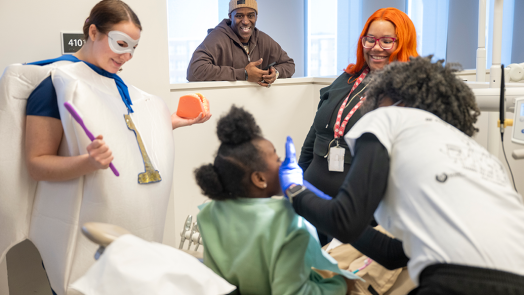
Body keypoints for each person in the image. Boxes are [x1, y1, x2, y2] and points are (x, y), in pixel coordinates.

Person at [0, 1, 210, 294]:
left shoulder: (110, 83)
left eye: (134, 47)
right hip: (81, 240)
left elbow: (124, 137)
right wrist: (88, 163)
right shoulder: (56, 83)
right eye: (121, 43)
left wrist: (171, 122)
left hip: (128, 242)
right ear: (94, 32)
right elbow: (37, 164)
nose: (128, 55)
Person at [280, 56, 524, 294]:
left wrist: (293, 189)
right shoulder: (482, 157)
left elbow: (345, 222)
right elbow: (391, 253)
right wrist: (317, 195)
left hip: (454, 279)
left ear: (394, 98)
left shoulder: (388, 117)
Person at [194, 106, 356, 295]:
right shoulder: (288, 223)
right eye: (278, 159)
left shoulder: (208, 213)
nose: (283, 164)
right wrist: (340, 285)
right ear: (260, 179)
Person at [298, 7, 417, 246]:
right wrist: (297, 178)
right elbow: (316, 131)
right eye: (370, 39)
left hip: (355, 207)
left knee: (343, 276)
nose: (375, 47)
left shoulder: (407, 92)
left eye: (387, 41)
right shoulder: (348, 78)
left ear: (402, 43)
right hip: (312, 195)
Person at [186, 0, 295, 87]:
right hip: (224, 106)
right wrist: (244, 74)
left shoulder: (262, 39)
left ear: (256, 17)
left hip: (257, 105)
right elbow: (194, 71)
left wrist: (275, 73)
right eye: (239, 16)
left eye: (251, 15)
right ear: (230, 16)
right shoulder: (217, 38)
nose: (246, 21)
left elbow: (289, 64)